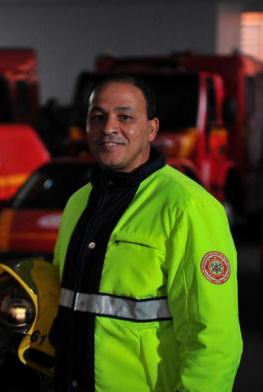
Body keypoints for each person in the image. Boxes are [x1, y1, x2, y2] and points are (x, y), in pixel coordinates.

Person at [51, 74, 243, 392]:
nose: (108, 127)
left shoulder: (189, 207)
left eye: (125, 117)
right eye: (97, 117)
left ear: (151, 129)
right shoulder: (77, 203)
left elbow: (215, 341)